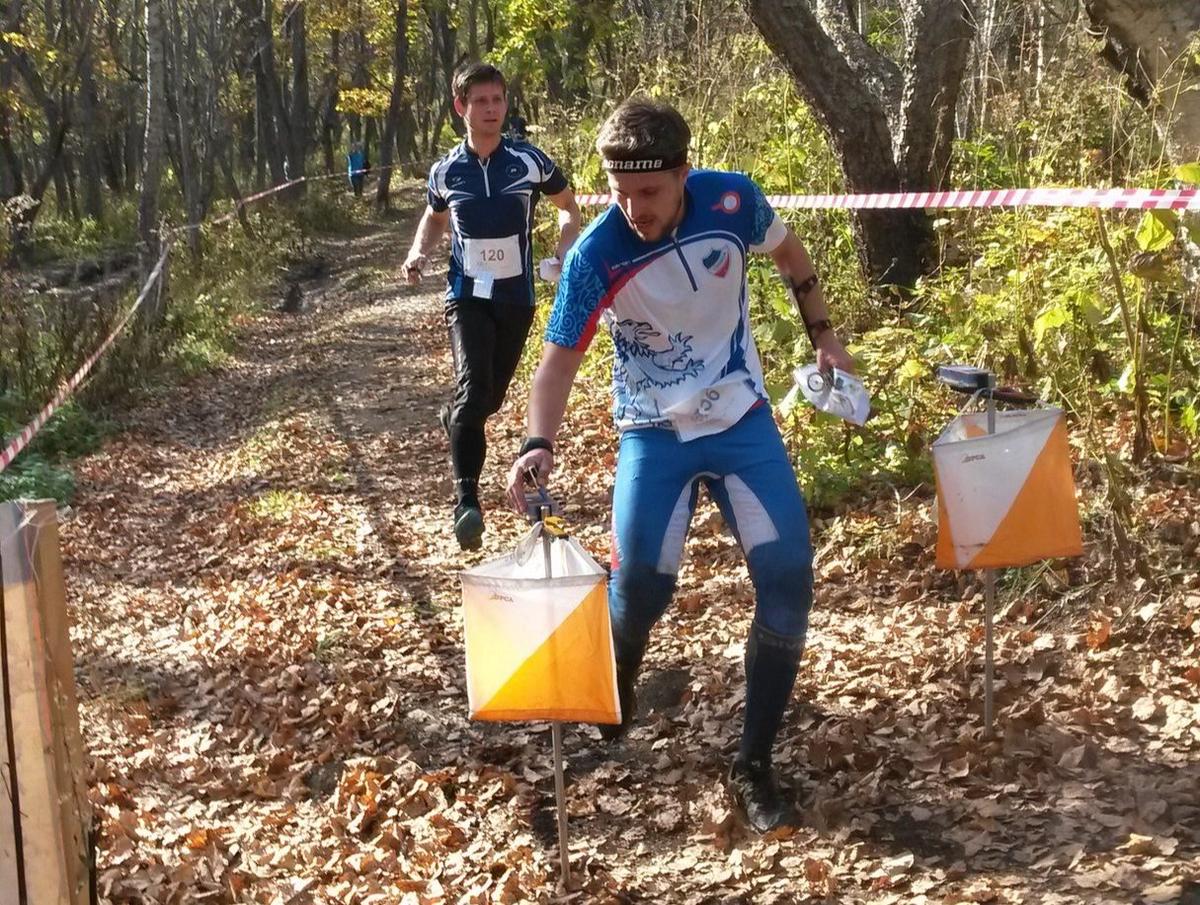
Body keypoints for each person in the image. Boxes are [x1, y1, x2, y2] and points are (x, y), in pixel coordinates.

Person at [503, 98, 854, 832]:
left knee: (790, 575)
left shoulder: (734, 200)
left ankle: (753, 764)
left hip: (739, 418)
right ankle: (621, 673)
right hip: (653, 432)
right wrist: (539, 442)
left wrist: (824, 336)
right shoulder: (598, 252)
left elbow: (793, 259)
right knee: (640, 587)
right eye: (619, 192)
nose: (633, 208)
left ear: (684, 174)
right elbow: (559, 362)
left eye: (650, 193)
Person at [404, 62, 580, 550]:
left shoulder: (529, 162)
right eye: (480, 102)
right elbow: (435, 218)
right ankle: (467, 502)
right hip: (465, 294)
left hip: (515, 296)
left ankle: (456, 417)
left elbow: (569, 206)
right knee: (473, 387)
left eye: (498, 100)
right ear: (461, 108)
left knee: (488, 400)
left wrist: (567, 247)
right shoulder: (446, 170)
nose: (491, 110)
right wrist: (419, 251)